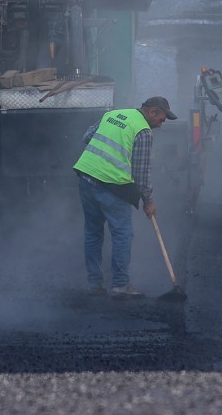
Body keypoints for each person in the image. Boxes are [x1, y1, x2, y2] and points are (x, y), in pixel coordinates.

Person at [73, 96, 176, 297]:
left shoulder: (113, 114)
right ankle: (120, 284)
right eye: (161, 120)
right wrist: (148, 201)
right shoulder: (144, 132)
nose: (161, 125)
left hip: (85, 177)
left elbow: (87, 137)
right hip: (112, 186)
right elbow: (141, 173)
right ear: (152, 112)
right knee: (122, 234)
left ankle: (94, 283)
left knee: (93, 232)